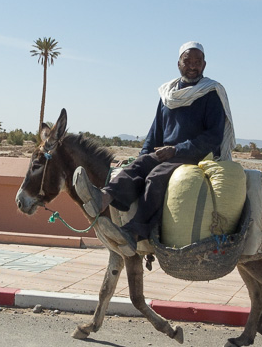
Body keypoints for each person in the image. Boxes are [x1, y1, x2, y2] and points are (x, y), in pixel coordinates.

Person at [74, 41, 235, 255]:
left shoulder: (211, 93)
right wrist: (139, 157)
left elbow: (213, 137)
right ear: (179, 63)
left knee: (157, 175)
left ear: (204, 64)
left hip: (196, 156)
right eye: (188, 61)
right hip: (168, 154)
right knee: (139, 165)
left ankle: (136, 231)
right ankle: (102, 199)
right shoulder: (168, 94)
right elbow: (155, 133)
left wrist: (176, 150)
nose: (193, 66)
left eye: (198, 62)